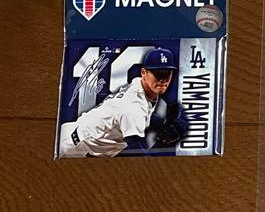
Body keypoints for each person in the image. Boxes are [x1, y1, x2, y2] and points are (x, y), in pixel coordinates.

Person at [58, 47, 188, 157]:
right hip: (72, 149)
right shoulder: (134, 107)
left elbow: (137, 115)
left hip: (76, 134)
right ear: (144, 72)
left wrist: (162, 124)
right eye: (158, 74)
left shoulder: (140, 86)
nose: (163, 80)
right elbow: (137, 153)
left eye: (167, 74)